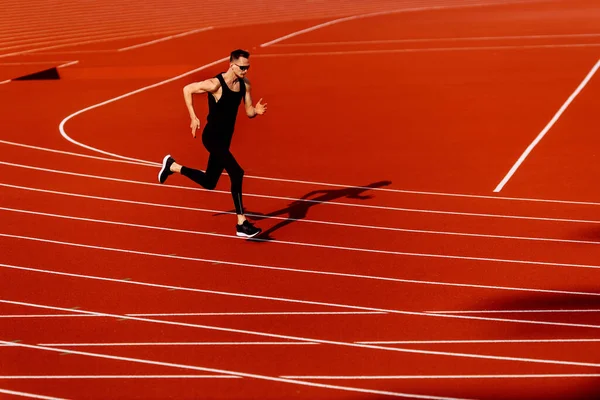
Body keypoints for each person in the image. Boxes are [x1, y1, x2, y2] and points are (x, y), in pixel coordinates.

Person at [158, 49, 267, 238]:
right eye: (242, 67)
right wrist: (193, 117)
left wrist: (255, 111)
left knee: (209, 182)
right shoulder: (215, 84)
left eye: (247, 67)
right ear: (232, 65)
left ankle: (172, 166)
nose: (245, 71)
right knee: (237, 172)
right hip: (211, 137)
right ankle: (241, 223)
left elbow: (248, 111)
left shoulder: (244, 85)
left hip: (225, 140)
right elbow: (187, 89)